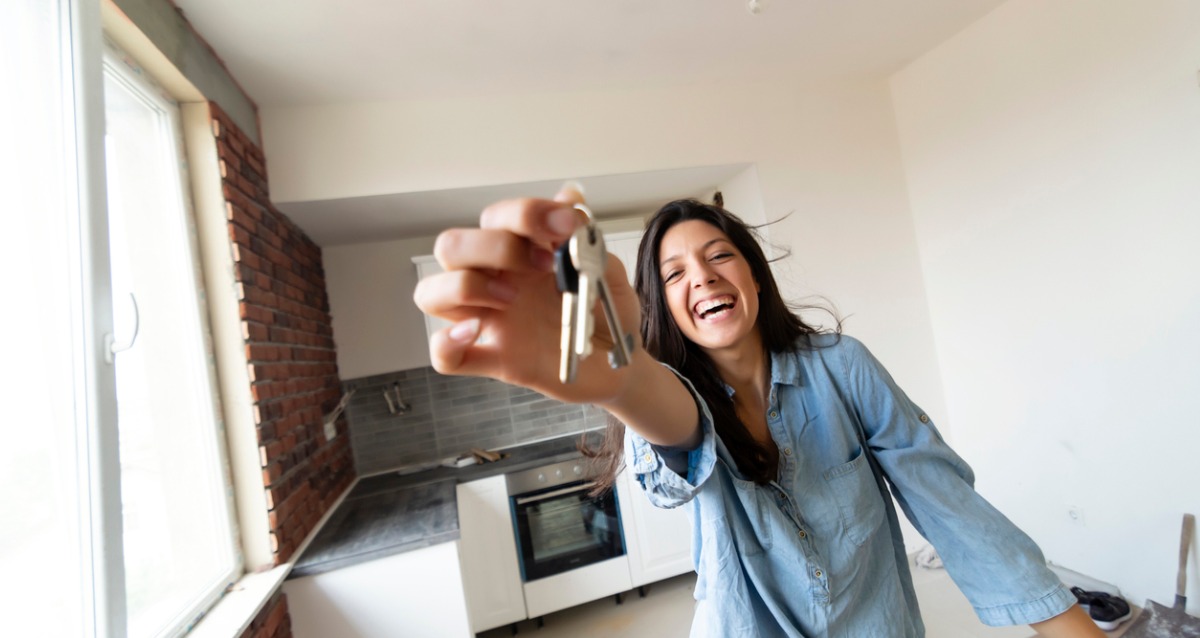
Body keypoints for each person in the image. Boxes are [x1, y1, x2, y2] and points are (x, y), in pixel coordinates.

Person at [413, 184, 1103, 637]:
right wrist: (620, 381)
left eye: (719, 257)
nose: (703, 277)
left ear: (752, 273)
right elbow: (676, 421)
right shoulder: (669, 395)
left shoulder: (843, 364)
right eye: (675, 273)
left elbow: (950, 506)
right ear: (663, 307)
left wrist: (1066, 622)